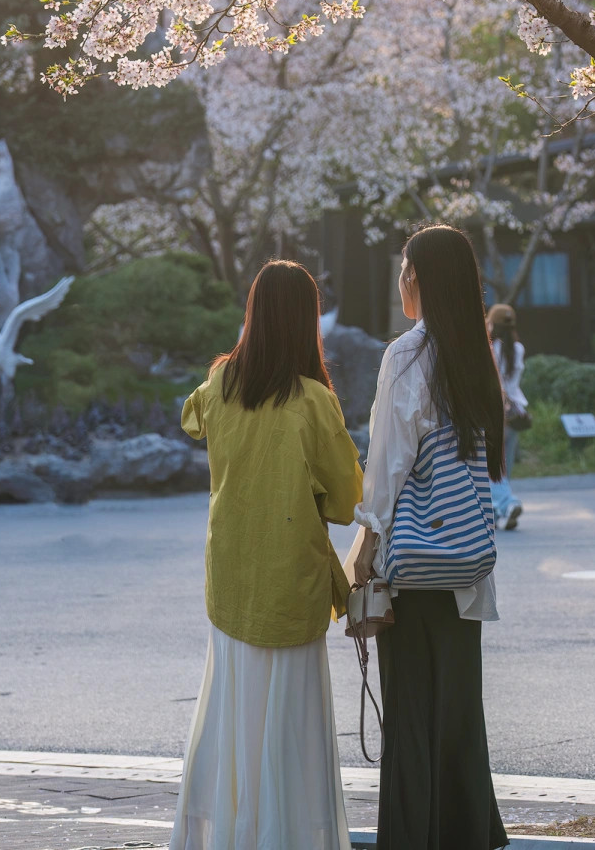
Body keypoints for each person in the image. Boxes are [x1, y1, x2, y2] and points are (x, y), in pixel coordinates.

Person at [170, 260, 364, 850]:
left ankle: (230, 832)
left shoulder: (220, 386)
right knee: (290, 724)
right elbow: (346, 502)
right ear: (307, 323)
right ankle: (286, 835)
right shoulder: (312, 402)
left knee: (231, 712)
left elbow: (191, 418)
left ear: (252, 314)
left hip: (230, 578)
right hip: (291, 582)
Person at [347, 225, 508, 850]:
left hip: (412, 565)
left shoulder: (407, 355)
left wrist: (362, 554)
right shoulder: (474, 354)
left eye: (405, 269)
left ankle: (413, 838)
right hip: (464, 562)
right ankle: (469, 834)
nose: (399, 281)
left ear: (420, 279)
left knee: (410, 712)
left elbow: (387, 465)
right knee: (458, 714)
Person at [486, 302, 527, 532]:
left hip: (496, 412)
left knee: (492, 467)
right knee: (505, 467)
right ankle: (493, 512)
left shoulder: (489, 349)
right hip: (516, 412)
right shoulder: (518, 348)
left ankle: (507, 503)